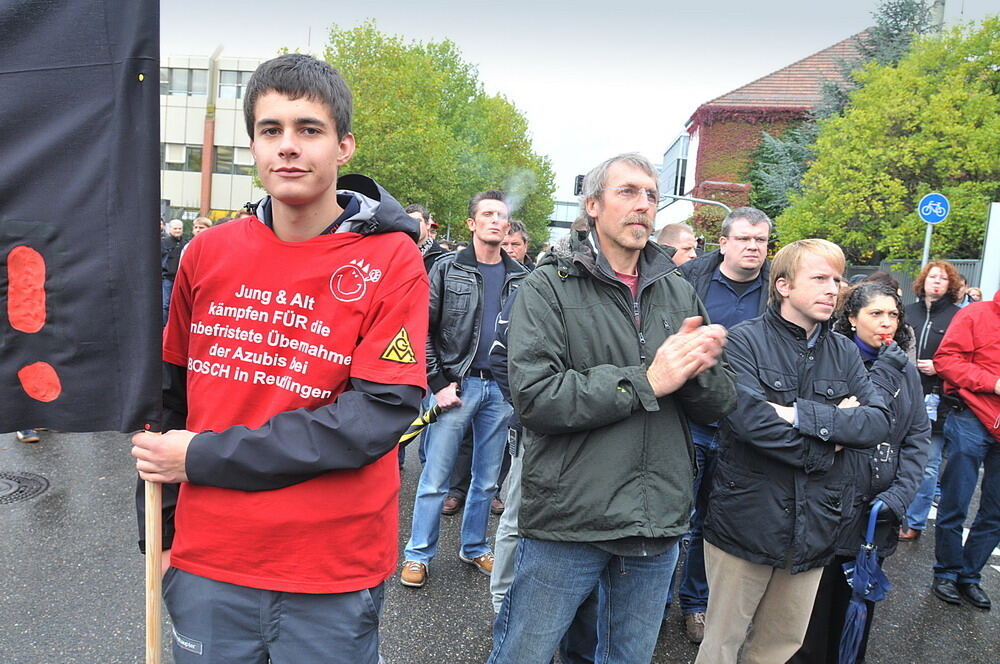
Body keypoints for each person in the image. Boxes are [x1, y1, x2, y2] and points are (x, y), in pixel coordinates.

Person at [131, 53, 429, 664]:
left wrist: (205, 456)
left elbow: (375, 417)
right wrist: (155, 533)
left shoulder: (393, 261)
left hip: (331, 569)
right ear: (253, 146)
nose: (288, 147)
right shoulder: (204, 254)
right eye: (272, 131)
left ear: (344, 146)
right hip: (207, 560)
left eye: (308, 130)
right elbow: (166, 403)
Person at [486, 153, 736, 664]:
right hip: (570, 517)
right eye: (628, 192)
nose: (643, 204)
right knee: (523, 654)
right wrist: (647, 380)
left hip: (655, 520)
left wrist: (701, 368)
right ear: (594, 205)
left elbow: (716, 405)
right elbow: (535, 398)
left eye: (651, 194)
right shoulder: (548, 286)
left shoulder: (678, 290)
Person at [696, 239, 901, 664]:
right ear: (784, 285)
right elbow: (751, 423)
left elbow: (879, 422)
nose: (834, 289)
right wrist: (834, 438)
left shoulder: (844, 351)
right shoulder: (744, 342)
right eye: (820, 278)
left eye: (838, 279)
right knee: (721, 645)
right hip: (747, 520)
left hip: (815, 527)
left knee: (778, 648)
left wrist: (797, 415)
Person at [790, 283, 930, 662]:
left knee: (856, 621)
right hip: (826, 510)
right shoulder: (830, 360)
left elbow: (917, 436)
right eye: (875, 314)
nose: (886, 322)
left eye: (893, 314)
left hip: (875, 515)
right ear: (851, 319)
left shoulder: (904, 369)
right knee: (810, 620)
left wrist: (899, 496)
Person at [400, 190, 528, 588]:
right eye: (487, 214)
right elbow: (422, 329)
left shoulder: (521, 278)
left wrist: (516, 390)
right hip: (456, 385)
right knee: (435, 479)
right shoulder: (446, 268)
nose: (495, 221)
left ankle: (474, 547)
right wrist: (438, 383)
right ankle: (418, 554)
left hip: (500, 392)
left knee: (487, 480)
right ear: (472, 223)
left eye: (501, 216)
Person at [670, 206, 773, 643]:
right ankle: (651, 601)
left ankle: (696, 604)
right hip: (689, 418)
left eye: (761, 241)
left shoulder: (777, 291)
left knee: (714, 522)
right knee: (674, 515)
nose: (753, 247)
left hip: (744, 425)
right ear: (725, 243)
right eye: (745, 239)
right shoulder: (688, 280)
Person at [930, 287, 999, 610]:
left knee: (996, 510)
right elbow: (945, 360)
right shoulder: (975, 313)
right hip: (971, 415)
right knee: (956, 498)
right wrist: (992, 382)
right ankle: (946, 571)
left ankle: (969, 576)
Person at [899, 261, 963, 541]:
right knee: (893, 459)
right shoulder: (906, 312)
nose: (936, 282)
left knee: (927, 465)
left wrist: (941, 367)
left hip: (939, 399)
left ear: (951, 285)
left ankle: (914, 522)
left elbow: (963, 357)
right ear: (922, 281)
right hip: (902, 396)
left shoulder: (958, 316)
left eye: (943, 278)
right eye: (932, 277)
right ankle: (891, 515)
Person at [161, 219, 187, 325]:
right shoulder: (163, 242)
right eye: (175, 228)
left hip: (179, 278)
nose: (177, 231)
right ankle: (164, 326)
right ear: (170, 229)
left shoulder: (185, 243)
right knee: (165, 304)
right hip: (167, 277)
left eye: (180, 228)